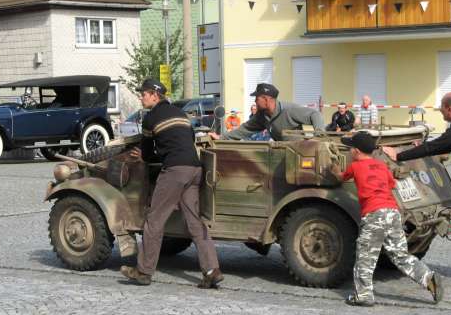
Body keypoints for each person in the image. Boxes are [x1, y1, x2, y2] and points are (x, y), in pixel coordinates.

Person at [120, 78, 223, 289]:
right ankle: (212, 270)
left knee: (154, 220)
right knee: (195, 222)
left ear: (155, 96)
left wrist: (144, 155)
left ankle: (144, 271)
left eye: (144, 94)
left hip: (175, 171)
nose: (141, 97)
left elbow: (147, 154)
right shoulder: (181, 114)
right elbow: (189, 139)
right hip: (194, 169)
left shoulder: (151, 118)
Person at [330, 132, 443, 307]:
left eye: (351, 147)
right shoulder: (382, 166)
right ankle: (428, 277)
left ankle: (364, 295)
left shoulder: (356, 166)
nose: (350, 150)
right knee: (400, 255)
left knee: (365, 257)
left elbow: (340, 177)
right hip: (392, 212)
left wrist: (335, 169)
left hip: (374, 214)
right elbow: (391, 184)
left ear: (357, 151)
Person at [383, 92, 451, 239]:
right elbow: (442, 142)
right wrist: (423, 145)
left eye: (441, 107)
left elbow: (435, 147)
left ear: (449, 109)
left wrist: (398, 154)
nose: (439, 109)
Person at [209, 83, 324, 141]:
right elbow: (244, 130)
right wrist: (221, 138)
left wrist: (320, 136)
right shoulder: (262, 116)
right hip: (281, 153)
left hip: (300, 154)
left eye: (257, 98)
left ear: (266, 99)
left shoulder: (289, 110)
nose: (255, 101)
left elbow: (315, 114)